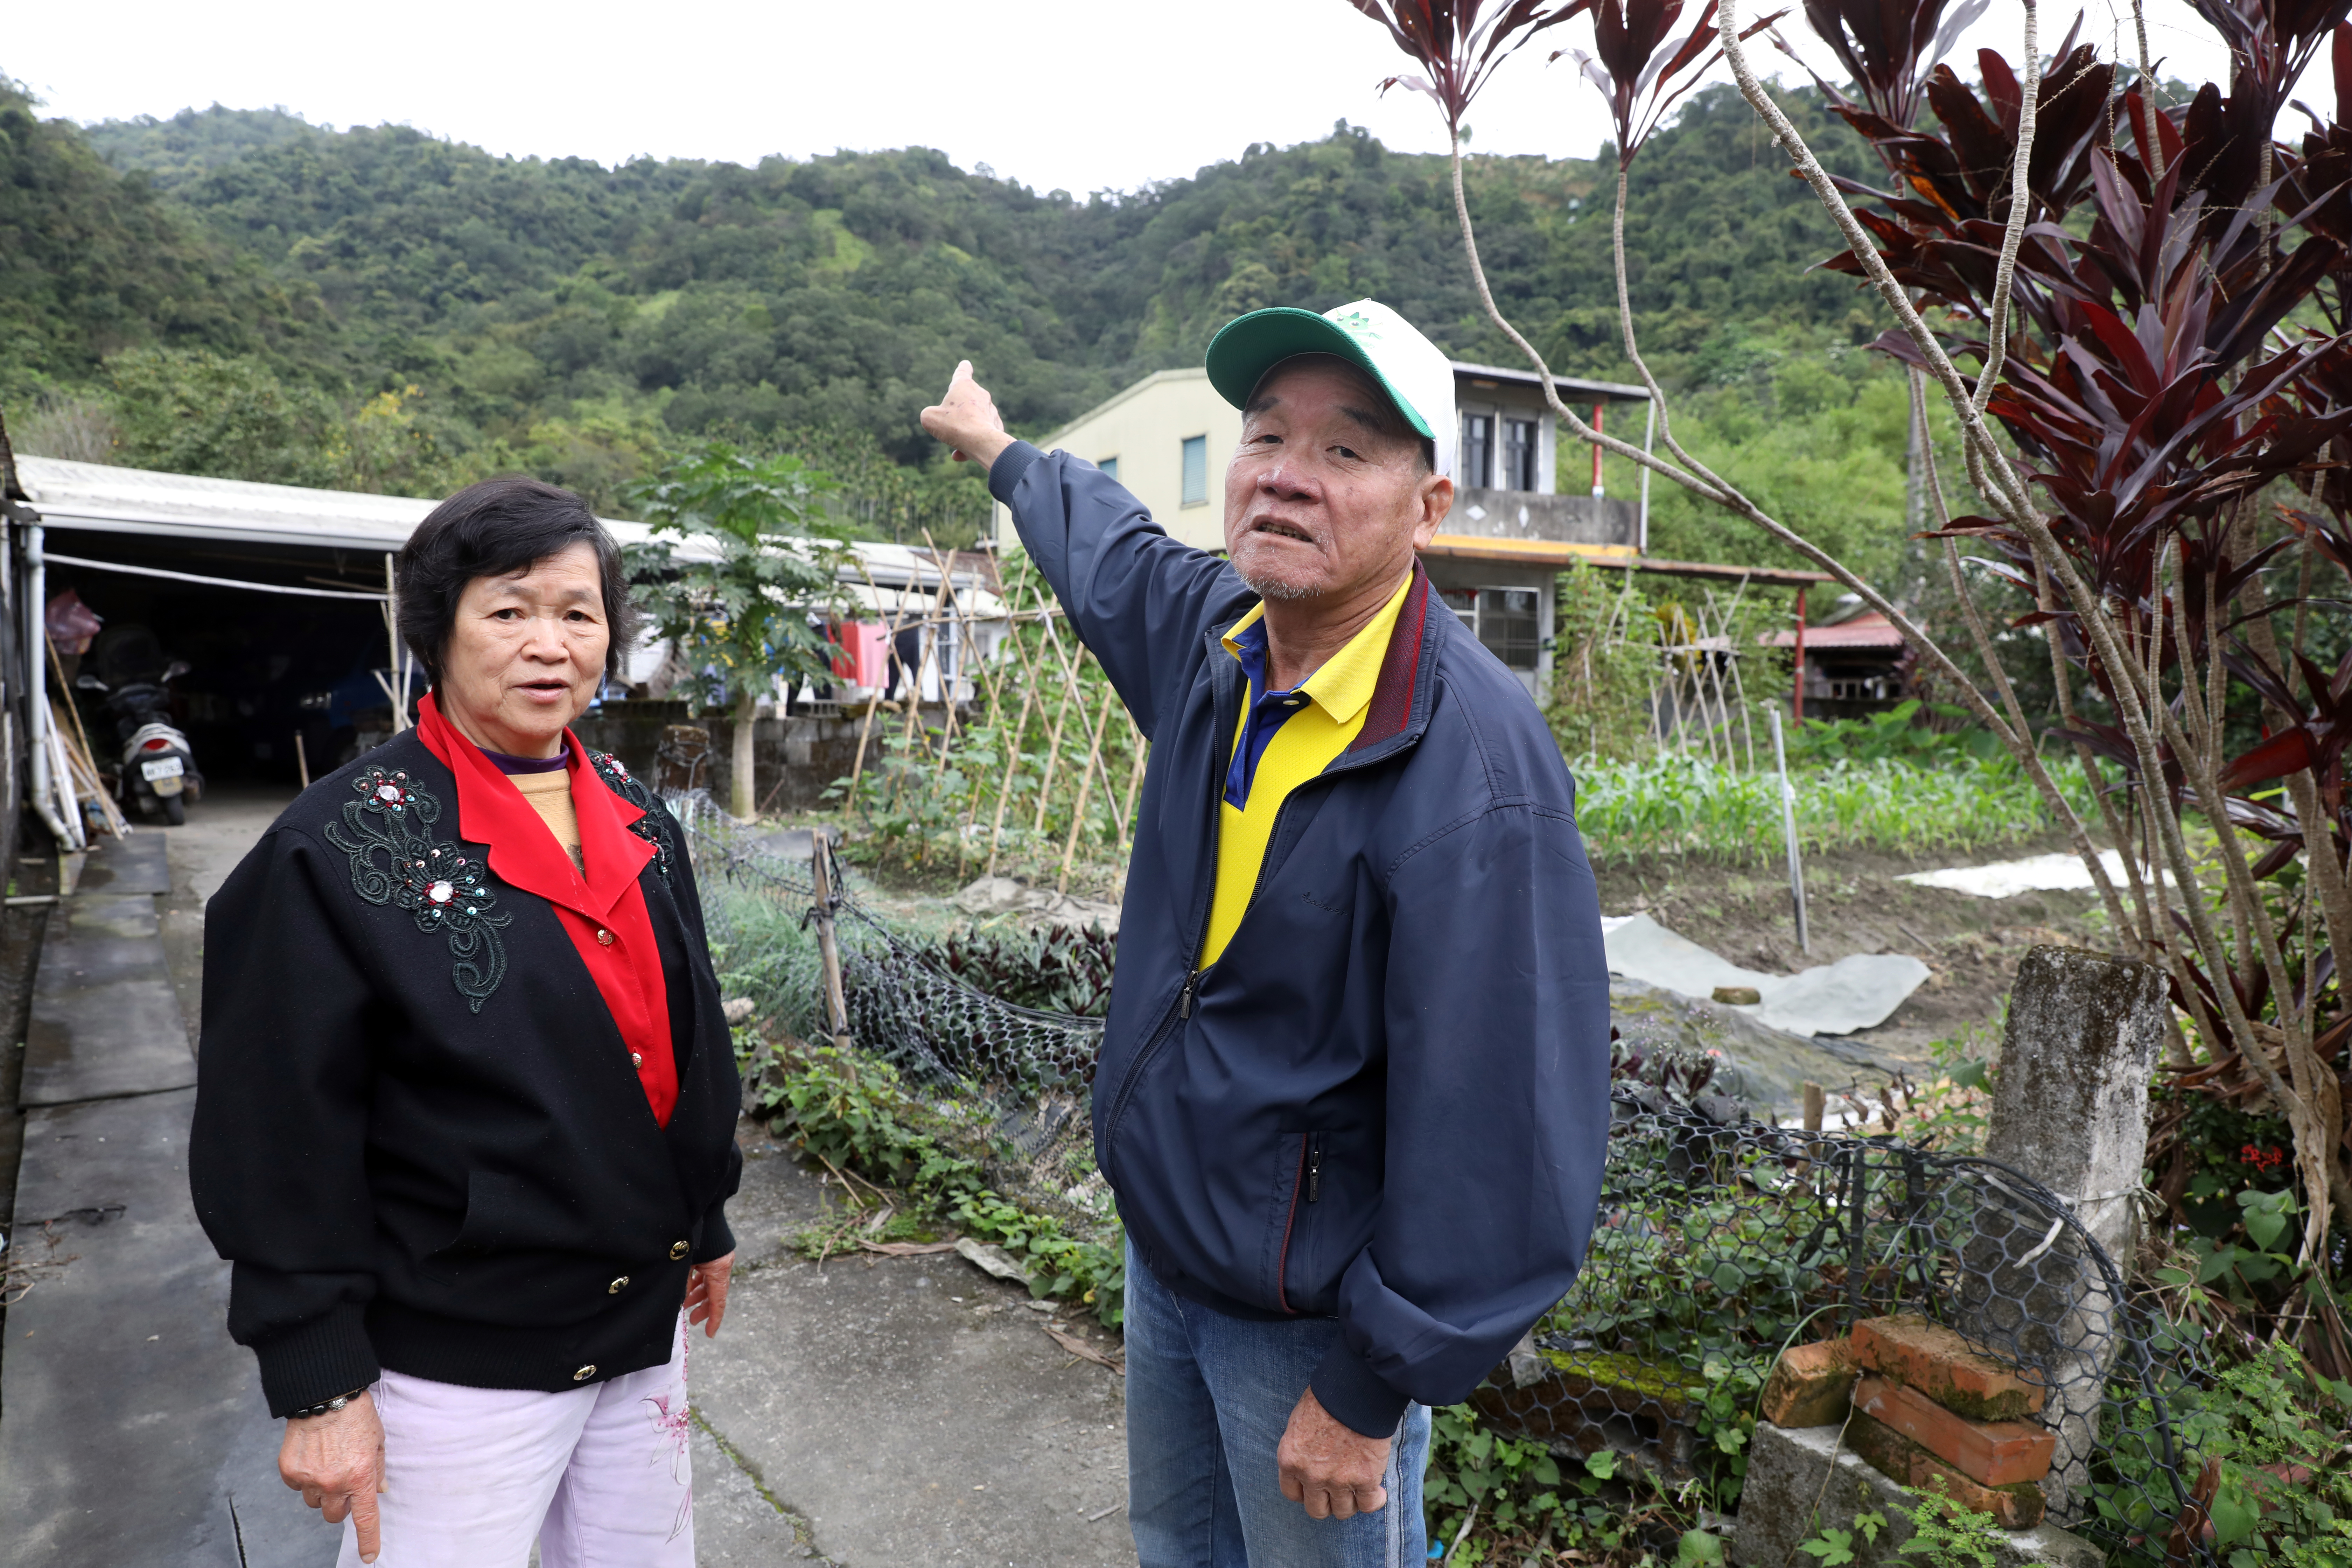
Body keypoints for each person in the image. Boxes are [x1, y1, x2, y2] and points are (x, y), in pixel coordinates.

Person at [920, 301, 1611, 1568]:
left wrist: (1370, 1385)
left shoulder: (1471, 773)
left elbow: (1505, 1121)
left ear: (1431, 503)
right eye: (1265, 435)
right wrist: (1000, 450)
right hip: (1170, 1250)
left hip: (1310, 1319)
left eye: (1348, 451)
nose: (1287, 475)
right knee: (1176, 1550)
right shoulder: (1219, 646)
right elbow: (1109, 551)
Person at [189, 477, 743, 1568]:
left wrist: (706, 1215)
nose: (550, 644)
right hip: (462, 1361)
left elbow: (687, 1033)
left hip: (642, 1328)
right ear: (438, 631)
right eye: (510, 609)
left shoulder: (636, 811)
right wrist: (320, 1379)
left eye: (578, 613)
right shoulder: (336, 849)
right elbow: (276, 1131)